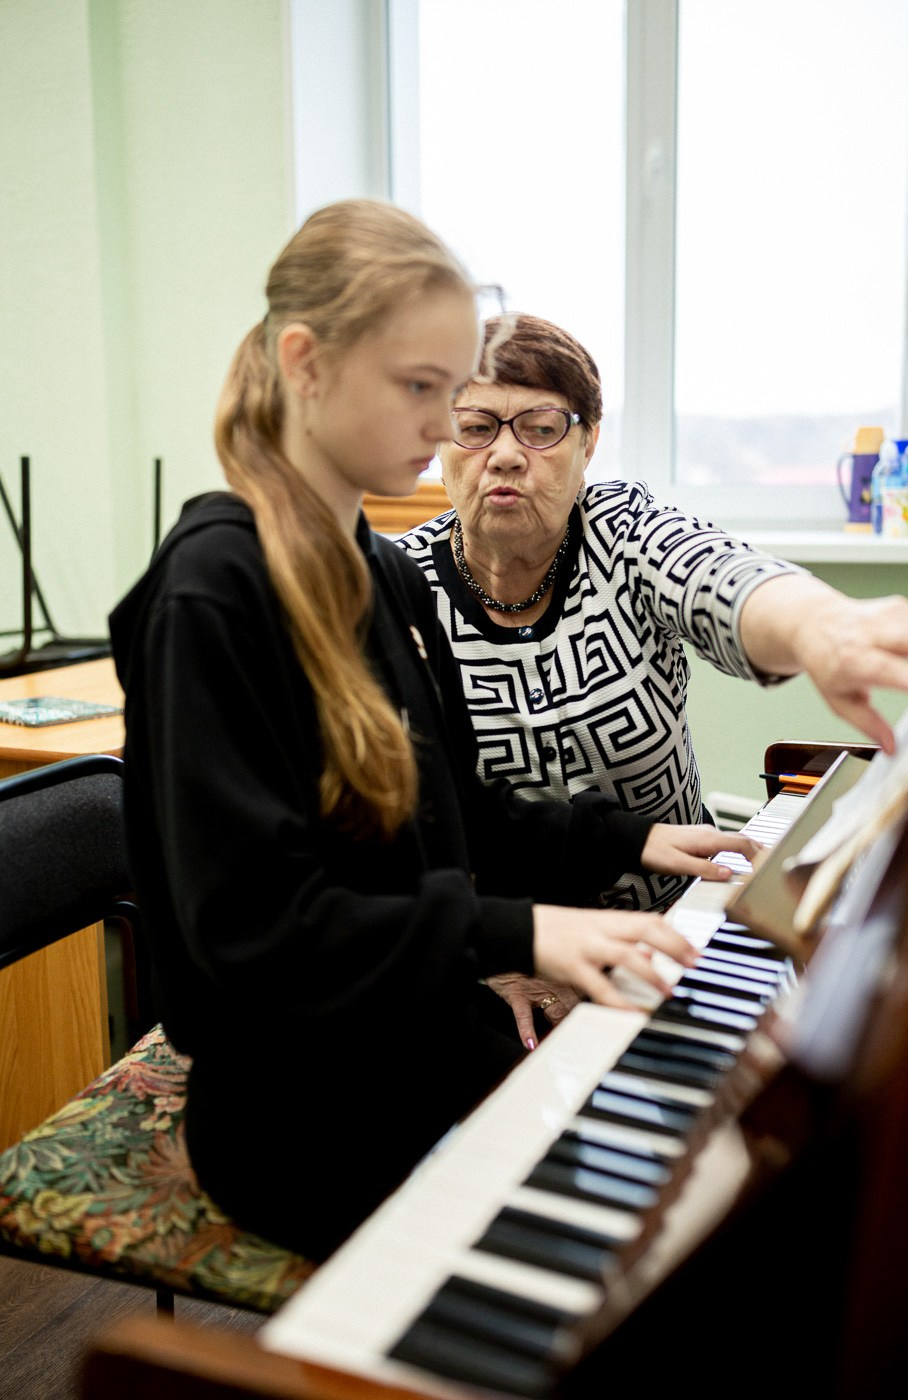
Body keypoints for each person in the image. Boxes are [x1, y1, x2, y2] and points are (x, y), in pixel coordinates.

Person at [108, 202, 757, 1261]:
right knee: (615, 1248)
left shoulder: (376, 568)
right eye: (427, 388)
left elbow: (457, 812)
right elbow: (258, 931)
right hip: (301, 1112)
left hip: (414, 1033)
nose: (451, 421)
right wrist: (521, 932)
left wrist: (620, 841)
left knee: (706, 1160)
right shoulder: (211, 592)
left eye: (451, 387)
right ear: (306, 362)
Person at [398, 313, 908, 1033]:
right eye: (475, 426)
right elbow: (407, 832)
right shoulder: (396, 588)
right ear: (439, 442)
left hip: (678, 919)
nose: (505, 454)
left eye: (540, 426)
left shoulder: (621, 529)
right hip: (506, 953)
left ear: (587, 442)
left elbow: (720, 576)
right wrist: (492, 952)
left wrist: (817, 626)